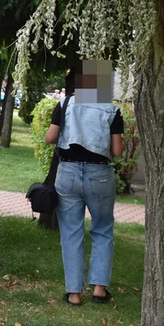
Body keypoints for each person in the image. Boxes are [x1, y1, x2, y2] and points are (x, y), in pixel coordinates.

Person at [44, 60, 125, 306]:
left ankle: (74, 293)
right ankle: (99, 288)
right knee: (102, 228)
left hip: (67, 172)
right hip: (99, 175)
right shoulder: (112, 110)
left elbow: (50, 138)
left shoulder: (65, 103)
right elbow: (118, 151)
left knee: (71, 231)